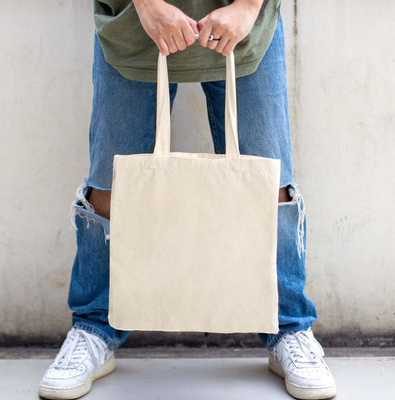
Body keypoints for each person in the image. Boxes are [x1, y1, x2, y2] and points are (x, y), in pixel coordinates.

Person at [39, 1, 336, 399]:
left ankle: (289, 327)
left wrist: (248, 7)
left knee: (271, 184)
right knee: (109, 186)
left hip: (245, 26)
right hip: (133, 23)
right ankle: (93, 327)